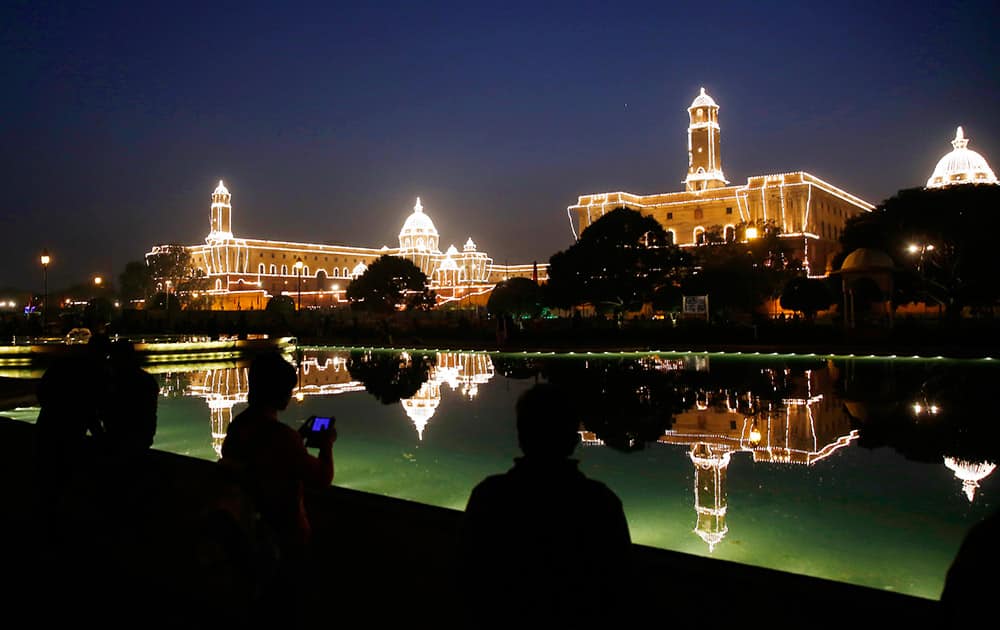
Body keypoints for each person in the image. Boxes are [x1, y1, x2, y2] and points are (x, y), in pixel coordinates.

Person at [458, 383, 631, 621]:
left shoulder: (488, 496)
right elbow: (619, 587)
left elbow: (469, 579)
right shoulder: (601, 504)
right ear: (574, 440)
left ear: (520, 436)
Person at [219, 352, 335, 622]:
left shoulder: (238, 427)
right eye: (287, 388)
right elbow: (321, 477)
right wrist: (326, 444)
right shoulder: (282, 437)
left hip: (244, 532)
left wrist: (297, 439)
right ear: (279, 392)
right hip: (281, 537)